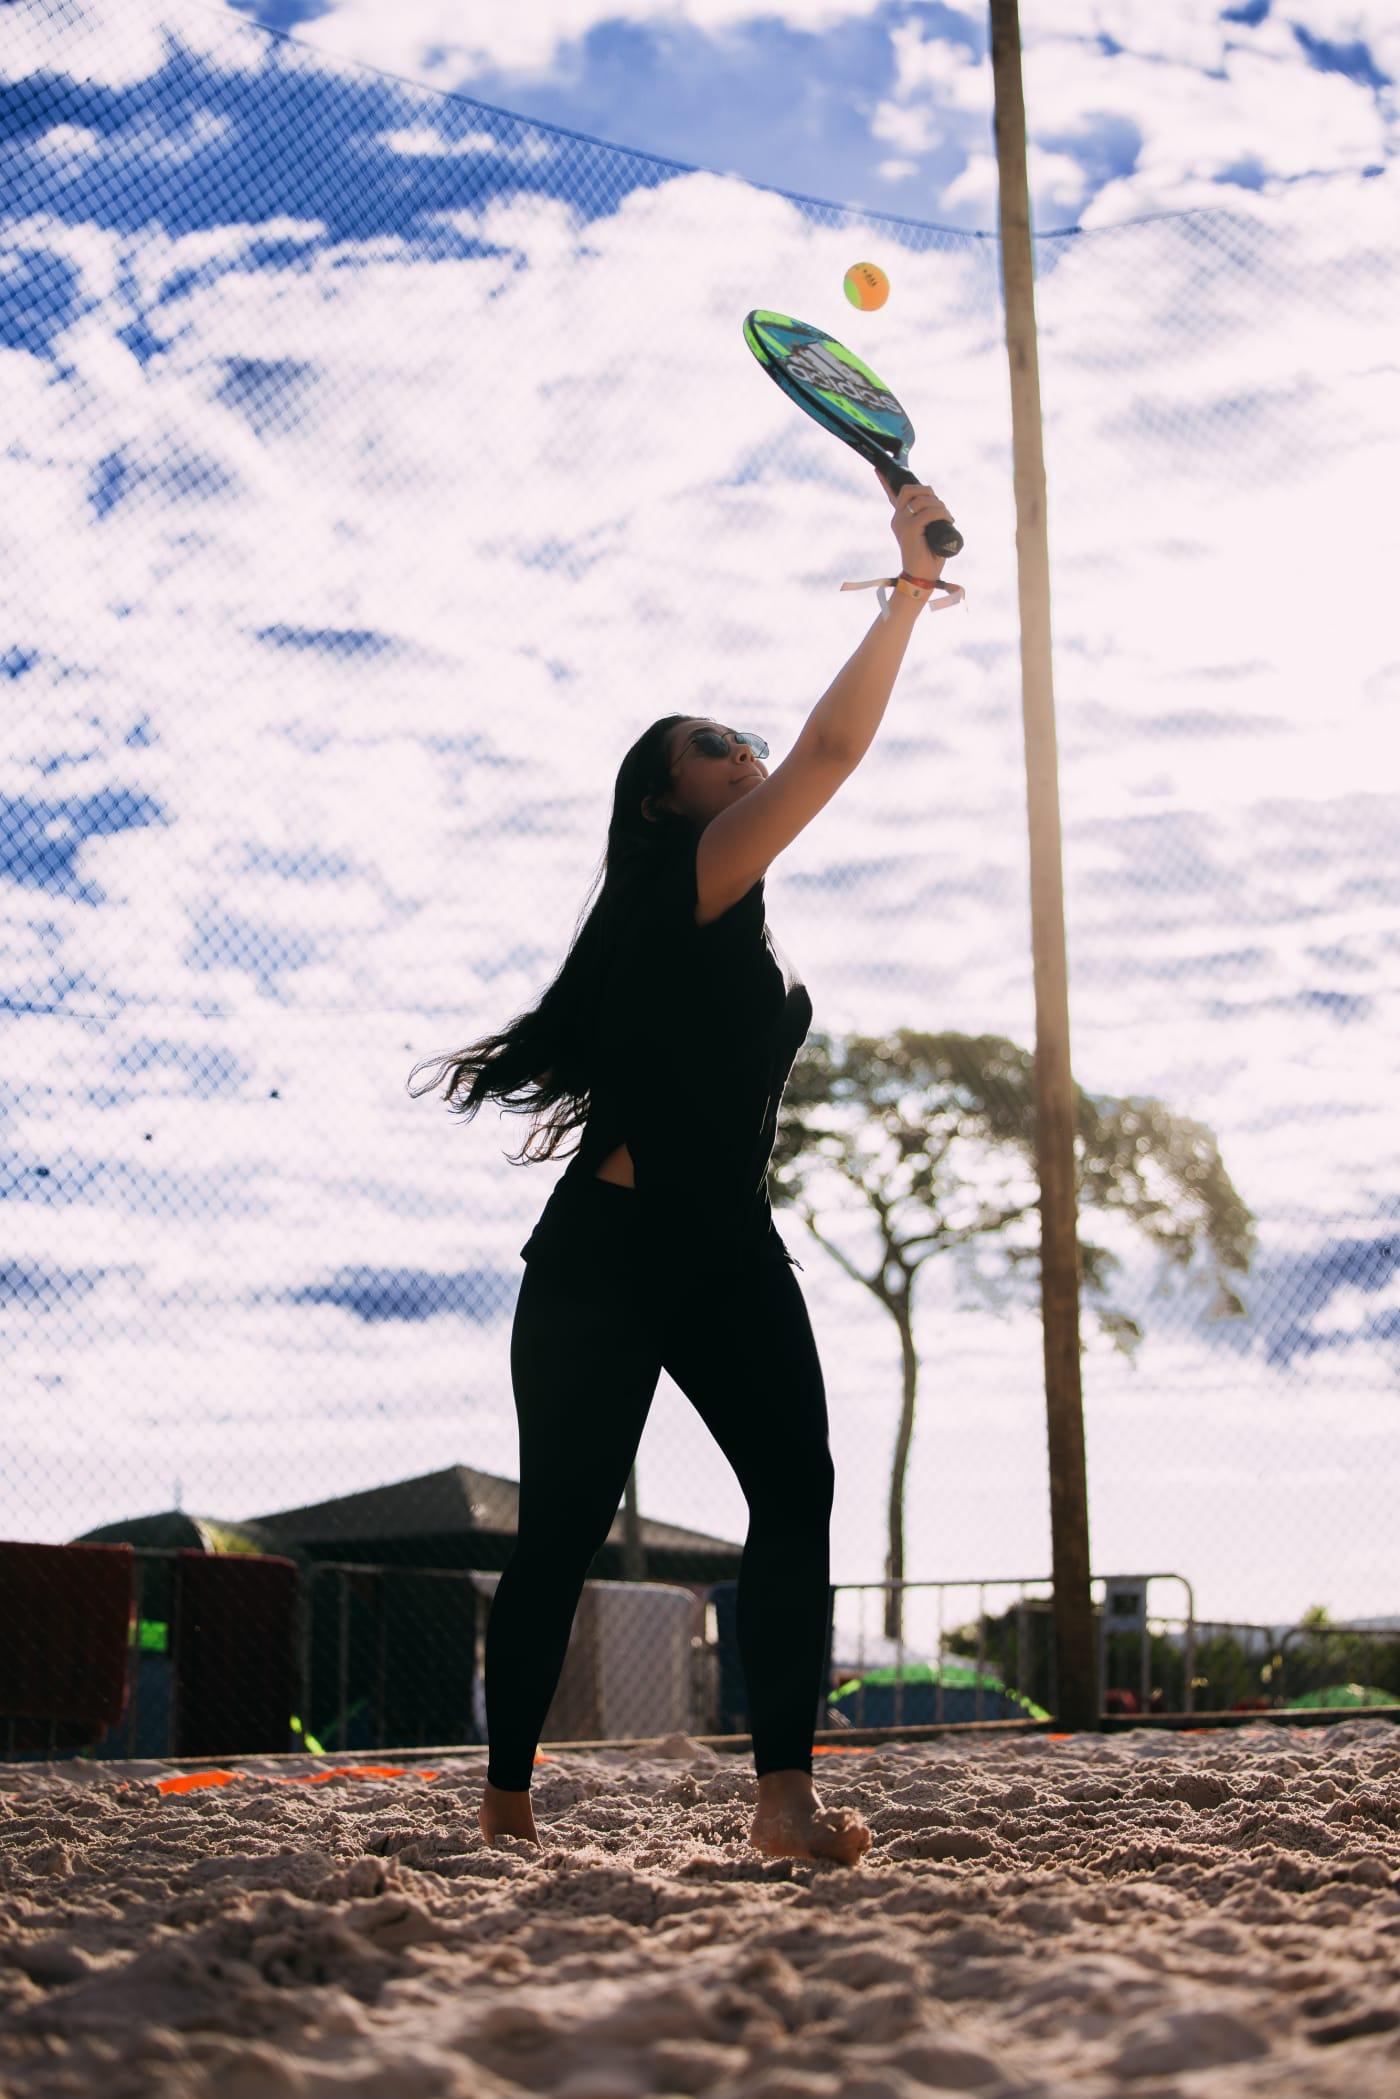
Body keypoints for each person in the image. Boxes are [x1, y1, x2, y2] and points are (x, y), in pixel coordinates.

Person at [408, 472, 957, 1864]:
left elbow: (809, 757)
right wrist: (905, 595)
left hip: (725, 1248)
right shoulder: (687, 880)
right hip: (604, 1255)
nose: (750, 754)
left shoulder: (734, 913)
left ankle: (784, 1802)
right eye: (717, 747)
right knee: (566, 1529)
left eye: (742, 741)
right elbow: (835, 754)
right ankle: (505, 1798)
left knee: (799, 1487)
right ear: (665, 804)